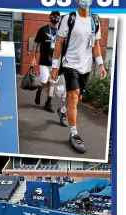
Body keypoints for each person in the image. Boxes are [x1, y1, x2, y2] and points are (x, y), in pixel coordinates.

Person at [51, 0, 107, 153]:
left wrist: (101, 64)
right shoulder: (68, 19)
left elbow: (96, 45)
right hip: (70, 64)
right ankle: (74, 134)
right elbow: (59, 43)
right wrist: (55, 67)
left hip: (86, 67)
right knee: (74, 97)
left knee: (76, 100)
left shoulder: (95, 20)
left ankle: (63, 110)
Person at [31, 11, 61, 113]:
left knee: (52, 83)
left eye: (58, 17)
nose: (56, 19)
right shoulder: (43, 30)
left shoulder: (62, 31)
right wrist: (33, 58)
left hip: (56, 63)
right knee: (44, 81)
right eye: (54, 17)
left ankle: (48, 103)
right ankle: (39, 91)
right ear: (50, 17)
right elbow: (35, 44)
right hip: (44, 61)